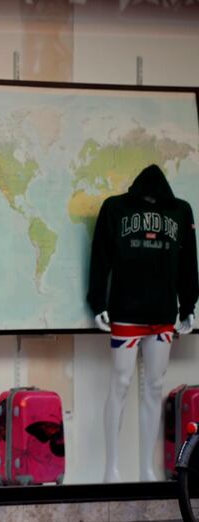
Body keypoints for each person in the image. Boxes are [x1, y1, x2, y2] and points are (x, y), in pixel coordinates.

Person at [87, 164, 198, 482]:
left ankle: (147, 469)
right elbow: (100, 257)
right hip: (125, 312)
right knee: (120, 383)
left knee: (154, 386)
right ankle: (112, 469)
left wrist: (188, 305)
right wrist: (97, 301)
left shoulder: (181, 210)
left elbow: (189, 260)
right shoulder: (115, 207)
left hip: (163, 315)